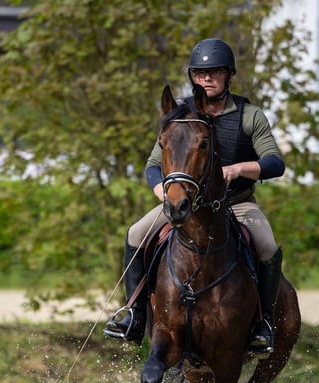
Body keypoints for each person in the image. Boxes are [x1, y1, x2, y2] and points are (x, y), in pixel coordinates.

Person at [104, 38, 285, 357]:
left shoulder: (249, 115)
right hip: (185, 204)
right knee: (135, 233)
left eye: (215, 72)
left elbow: (274, 162)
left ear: (229, 75)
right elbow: (153, 165)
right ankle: (134, 314)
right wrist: (161, 189)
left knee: (267, 246)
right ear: (192, 77)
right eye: (200, 73)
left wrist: (239, 168)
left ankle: (262, 325)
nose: (207, 78)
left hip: (237, 203)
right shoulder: (182, 113)